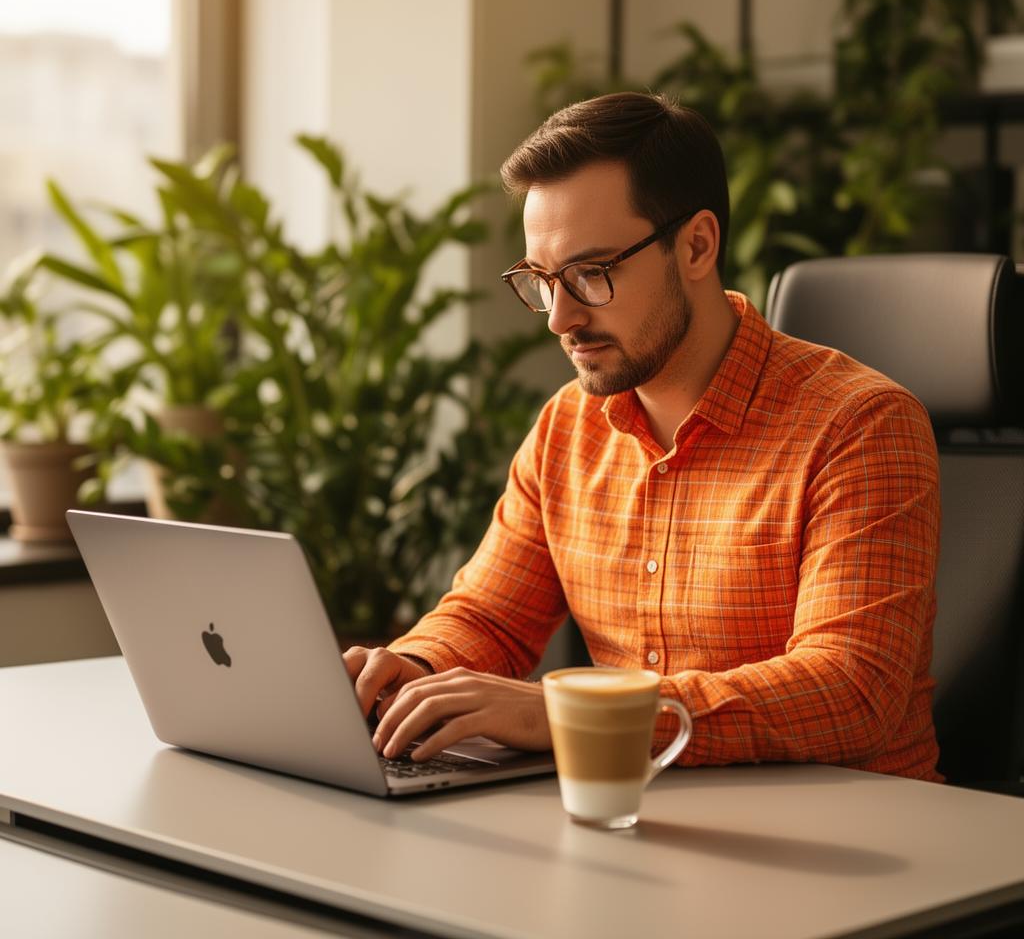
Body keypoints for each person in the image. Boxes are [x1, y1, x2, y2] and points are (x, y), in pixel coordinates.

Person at [343, 91, 942, 782]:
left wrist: (569, 712)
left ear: (696, 246)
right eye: (541, 281)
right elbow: (490, 620)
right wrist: (409, 673)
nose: (558, 318)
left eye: (590, 275)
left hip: (856, 844)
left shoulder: (861, 426)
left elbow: (849, 690)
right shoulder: (567, 428)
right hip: (638, 818)